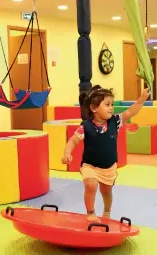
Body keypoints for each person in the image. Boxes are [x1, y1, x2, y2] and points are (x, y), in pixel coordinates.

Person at [62, 85, 150, 222]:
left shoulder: (115, 121)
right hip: (90, 165)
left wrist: (142, 98)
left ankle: (107, 211)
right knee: (91, 185)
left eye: (112, 104)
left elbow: (131, 112)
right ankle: (90, 212)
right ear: (94, 108)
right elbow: (73, 141)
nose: (111, 108)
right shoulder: (85, 126)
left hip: (109, 167)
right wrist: (67, 153)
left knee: (106, 191)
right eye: (107, 104)